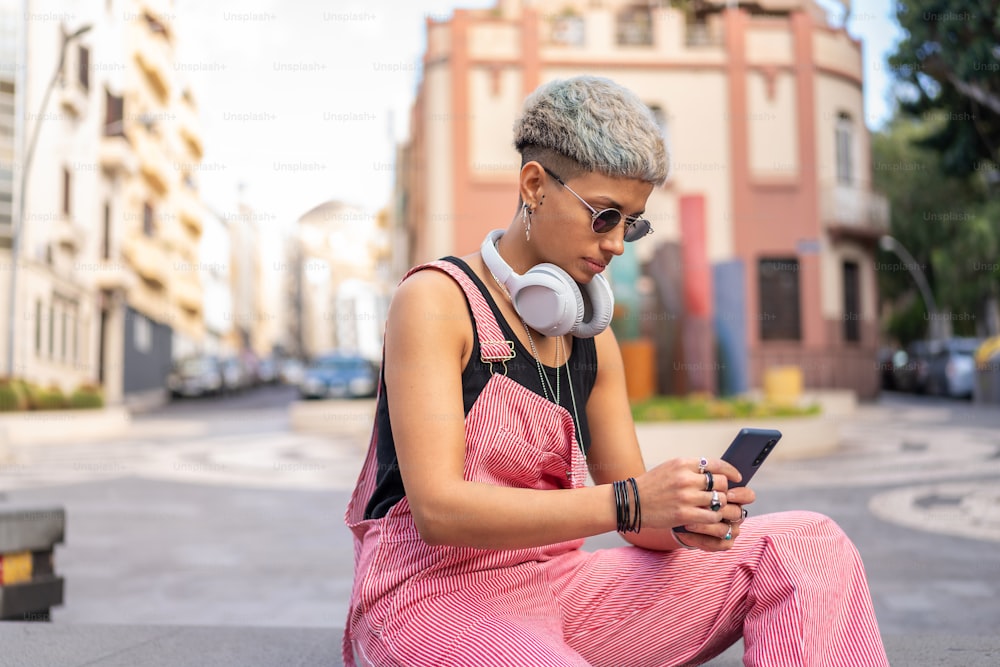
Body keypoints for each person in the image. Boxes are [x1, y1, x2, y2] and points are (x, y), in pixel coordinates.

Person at [343, 76, 889, 666]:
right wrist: (628, 502)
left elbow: (637, 522)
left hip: (565, 593)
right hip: (430, 600)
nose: (619, 245)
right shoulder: (435, 301)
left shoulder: (591, 337)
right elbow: (440, 511)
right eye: (605, 216)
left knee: (809, 545)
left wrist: (683, 513)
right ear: (534, 186)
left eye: (633, 222)